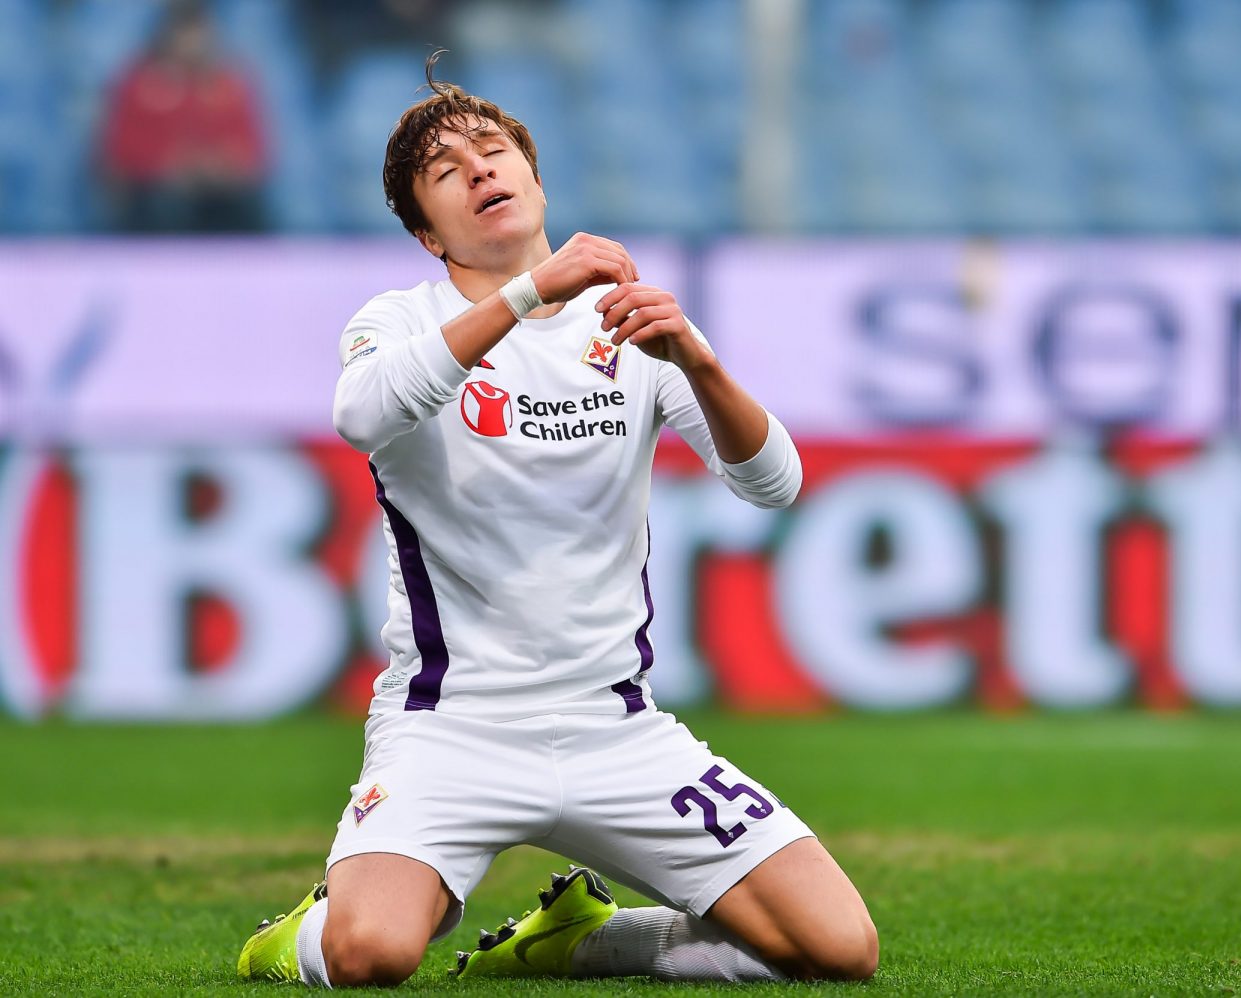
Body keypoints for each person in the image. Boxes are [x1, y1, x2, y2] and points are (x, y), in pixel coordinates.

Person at [235, 53, 878, 988]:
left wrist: (694, 356)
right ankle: (294, 935)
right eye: (448, 174)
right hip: (450, 727)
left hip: (616, 727)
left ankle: (581, 939)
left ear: (535, 180)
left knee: (838, 950)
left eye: (495, 154)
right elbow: (360, 414)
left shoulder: (628, 329)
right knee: (370, 955)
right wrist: (533, 292)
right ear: (427, 233)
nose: (481, 172)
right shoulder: (400, 320)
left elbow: (775, 483)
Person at [98, 0, 269, 233]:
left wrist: (219, 166)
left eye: (199, 33)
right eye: (185, 33)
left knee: (252, 208)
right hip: (156, 191)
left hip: (219, 192)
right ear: (167, 35)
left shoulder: (230, 85)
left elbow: (253, 150)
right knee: (165, 207)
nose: (193, 44)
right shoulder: (139, 84)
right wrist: (169, 166)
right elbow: (119, 152)